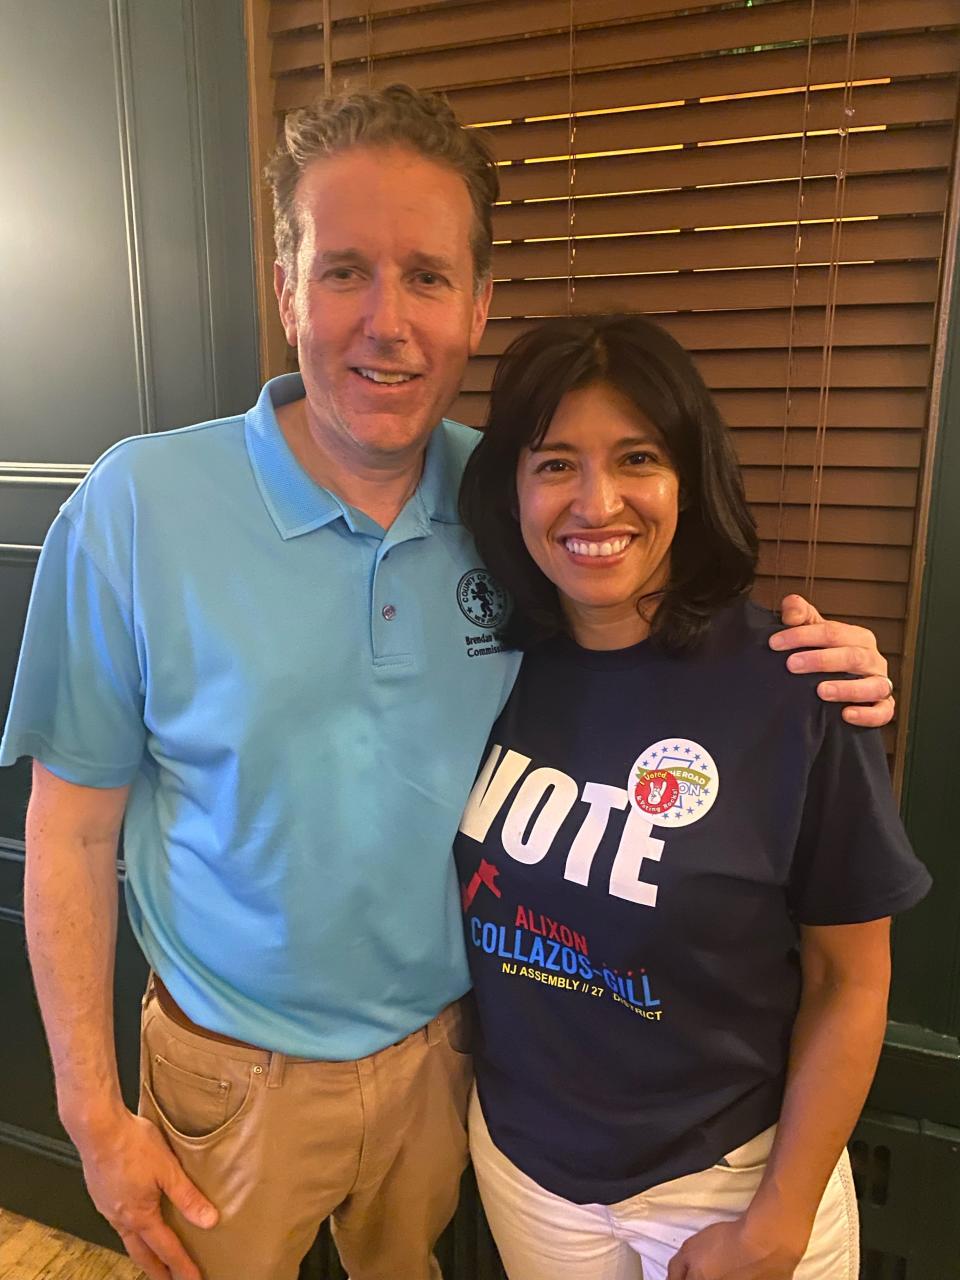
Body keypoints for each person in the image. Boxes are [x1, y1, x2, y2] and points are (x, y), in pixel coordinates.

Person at [0, 86, 897, 1280]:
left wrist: (826, 656)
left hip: (456, 1058)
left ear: (479, 303)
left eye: (426, 275)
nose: (387, 322)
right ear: (286, 288)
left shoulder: (515, 503)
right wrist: (91, 1114)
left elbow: (658, 634)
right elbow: (68, 832)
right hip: (230, 1072)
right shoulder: (133, 507)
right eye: (344, 271)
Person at [455, 315, 931, 1280]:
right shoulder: (480, 670)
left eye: (637, 457)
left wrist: (778, 1221)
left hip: (730, 1178)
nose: (596, 502)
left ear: (690, 479)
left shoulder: (796, 690)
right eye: (554, 463)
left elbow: (852, 982)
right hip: (527, 1174)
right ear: (511, 487)